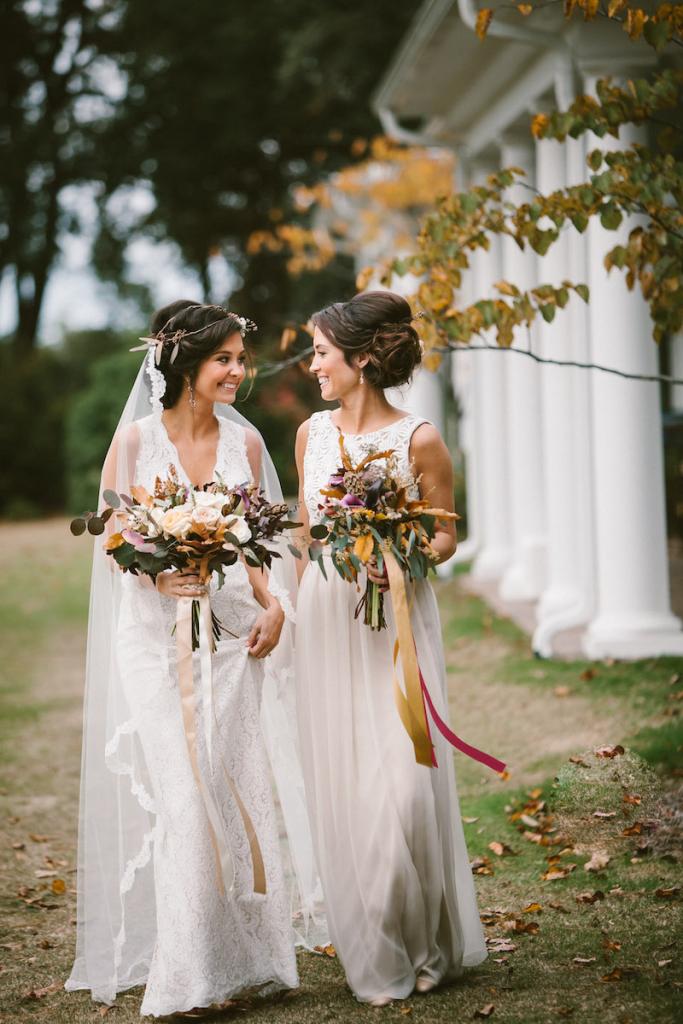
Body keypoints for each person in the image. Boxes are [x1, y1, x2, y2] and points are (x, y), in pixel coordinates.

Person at [66, 301, 318, 1017]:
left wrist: (274, 608)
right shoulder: (136, 442)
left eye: (242, 358)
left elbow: (260, 550)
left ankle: (253, 956)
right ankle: (190, 973)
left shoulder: (246, 447)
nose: (239, 370)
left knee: (233, 787)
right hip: (153, 641)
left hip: (233, 639)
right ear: (185, 366)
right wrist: (154, 572)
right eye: (225, 359)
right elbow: (113, 533)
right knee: (184, 791)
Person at [294, 291, 487, 1006]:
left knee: (405, 790)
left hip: (398, 621)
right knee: (347, 781)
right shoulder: (310, 436)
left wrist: (402, 557)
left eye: (320, 352)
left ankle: (425, 940)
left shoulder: (420, 438)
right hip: (327, 618)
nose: (313, 365)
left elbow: (445, 535)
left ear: (362, 358)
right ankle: (374, 943)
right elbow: (309, 534)